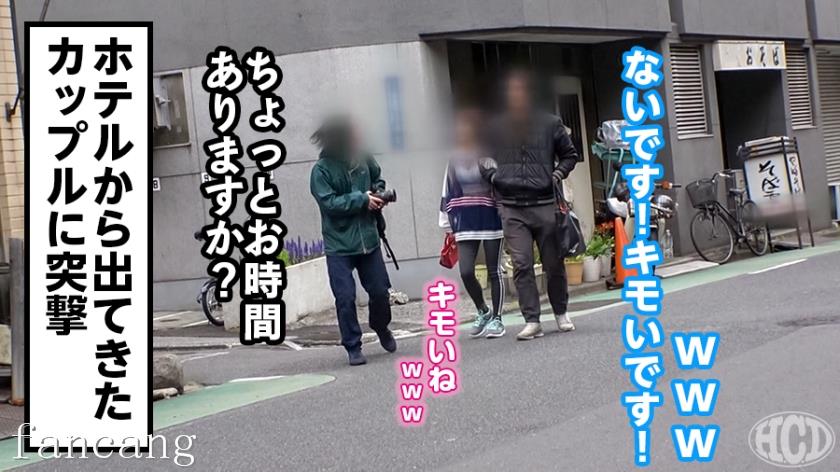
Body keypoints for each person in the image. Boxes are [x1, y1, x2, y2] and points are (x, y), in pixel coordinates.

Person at [479, 70, 581, 340]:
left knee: (553, 264)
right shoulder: (496, 126)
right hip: (511, 206)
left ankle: (560, 312)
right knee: (522, 264)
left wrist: (556, 175)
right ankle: (532, 320)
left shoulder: (550, 123)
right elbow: (483, 158)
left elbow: (570, 155)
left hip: (545, 203)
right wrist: (494, 176)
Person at [309, 116, 397, 365]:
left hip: (369, 239)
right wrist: (362, 199)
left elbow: (377, 178)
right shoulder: (321, 170)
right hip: (338, 245)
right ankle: (353, 345)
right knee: (345, 298)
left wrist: (377, 194)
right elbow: (329, 203)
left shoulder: (364, 157)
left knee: (380, 292)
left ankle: (380, 326)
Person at [439, 109, 506, 338]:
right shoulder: (454, 158)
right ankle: (483, 310)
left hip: (490, 217)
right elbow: (448, 188)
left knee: (494, 270)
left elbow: (502, 183)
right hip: (465, 219)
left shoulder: (489, 155)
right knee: (466, 271)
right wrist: (446, 222)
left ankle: (498, 319)